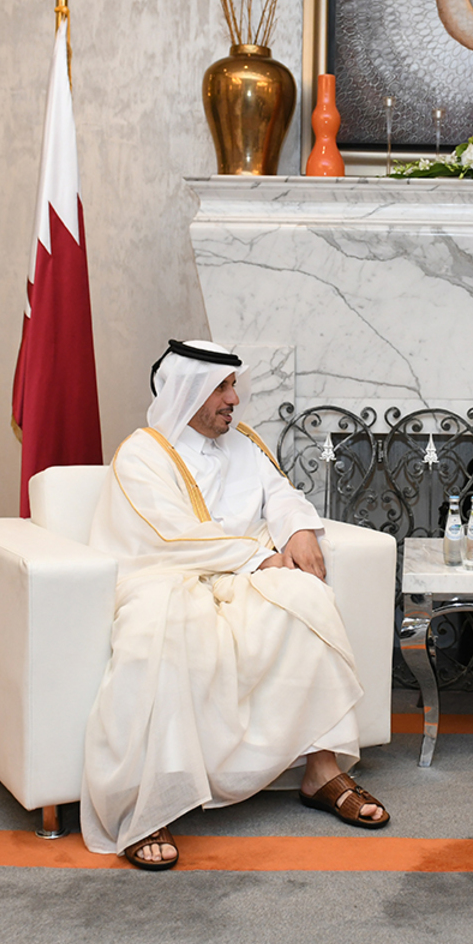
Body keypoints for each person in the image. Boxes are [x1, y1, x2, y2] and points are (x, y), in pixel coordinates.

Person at [80, 339, 389, 870]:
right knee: (161, 627)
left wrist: (298, 529)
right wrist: (258, 556)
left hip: (240, 575)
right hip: (165, 577)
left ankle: (321, 769)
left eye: (233, 386)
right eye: (222, 388)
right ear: (188, 392)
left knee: (305, 597)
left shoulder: (244, 443)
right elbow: (170, 535)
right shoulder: (143, 453)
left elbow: (282, 493)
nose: (234, 399)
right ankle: (146, 806)